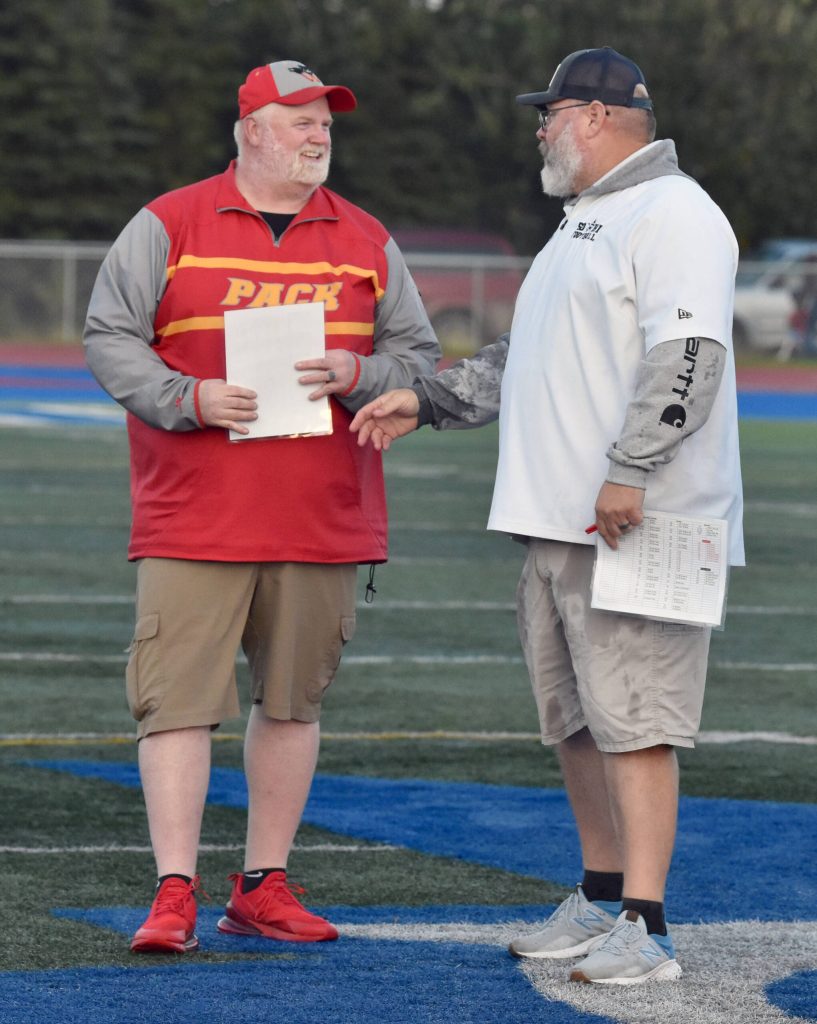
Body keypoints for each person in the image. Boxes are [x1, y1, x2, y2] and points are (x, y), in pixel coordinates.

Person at [350, 47, 744, 986]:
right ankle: (602, 894)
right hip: (558, 522)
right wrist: (430, 401)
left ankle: (644, 930)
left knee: (636, 722)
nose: (539, 127)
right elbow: (523, 353)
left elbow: (689, 354)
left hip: (633, 522)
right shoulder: (585, 219)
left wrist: (630, 470)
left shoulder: (675, 211)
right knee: (574, 721)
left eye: (552, 111)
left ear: (602, 117)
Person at [84, 59, 439, 954]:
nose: (320, 135)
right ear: (250, 130)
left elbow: (418, 359)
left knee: (292, 704)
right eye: (300, 121)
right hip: (193, 513)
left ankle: (263, 884)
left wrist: (363, 374)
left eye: (326, 123)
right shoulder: (168, 222)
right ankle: (173, 891)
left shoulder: (364, 237)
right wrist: (185, 396)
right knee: (176, 705)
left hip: (322, 513)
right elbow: (108, 335)